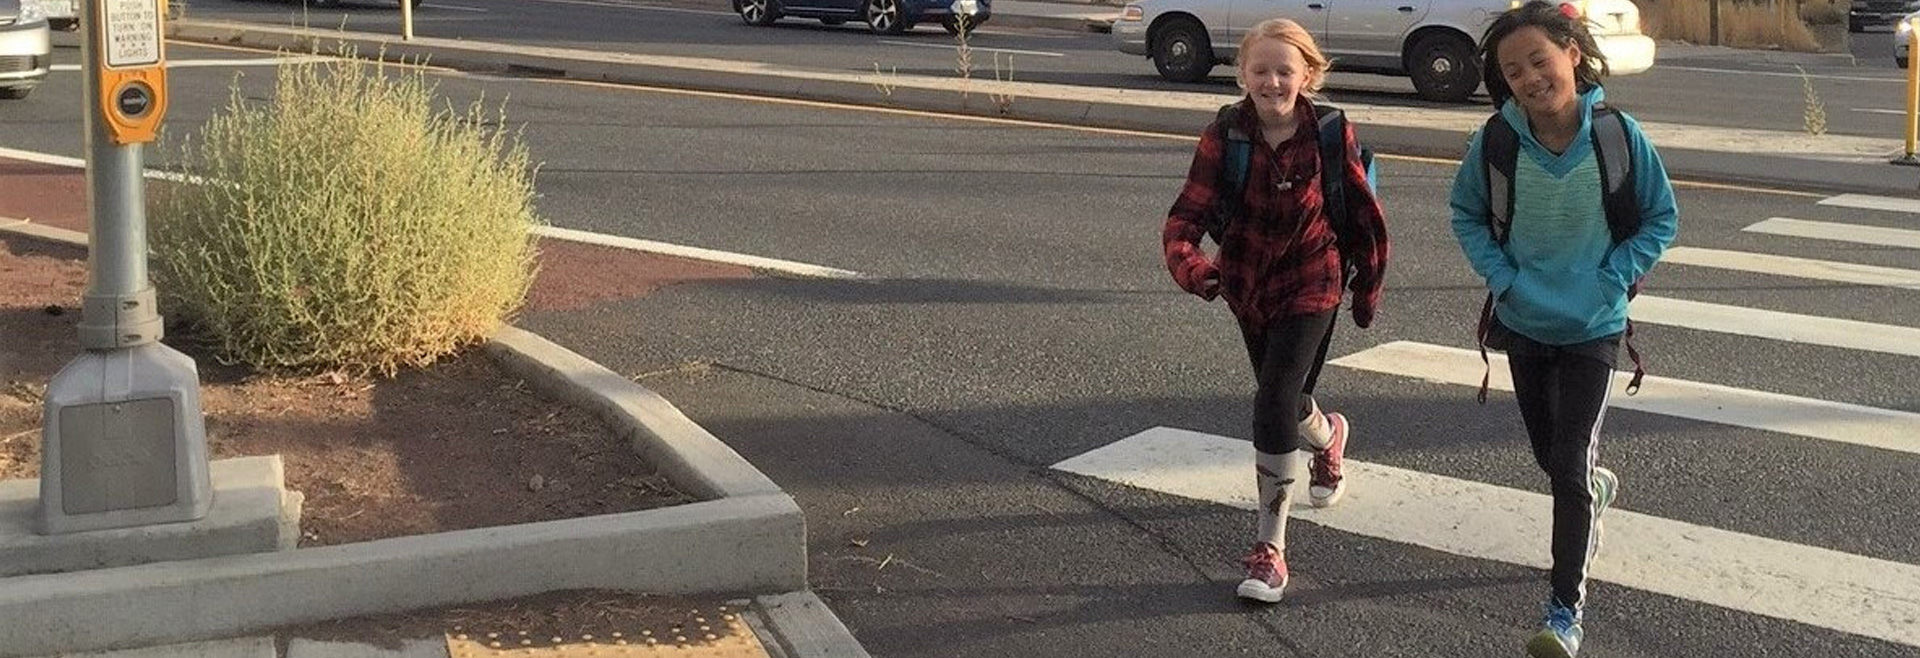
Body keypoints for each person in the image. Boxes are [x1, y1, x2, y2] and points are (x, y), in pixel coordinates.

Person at [1449, 3, 1678, 656]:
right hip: (1524, 322)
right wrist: (1504, 277)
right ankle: (1594, 488)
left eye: (1539, 60)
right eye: (1513, 69)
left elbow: (1660, 218)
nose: (1529, 76)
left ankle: (1563, 613)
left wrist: (1613, 278)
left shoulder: (1617, 136)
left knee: (1569, 464)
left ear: (1572, 55)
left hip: (1594, 327)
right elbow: (1465, 213)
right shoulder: (1495, 141)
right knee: (1553, 459)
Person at [1160, 17, 1389, 605]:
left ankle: (1270, 550)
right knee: (1288, 400)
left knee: (1273, 399)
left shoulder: (1331, 131)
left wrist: (1366, 291)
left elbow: (1363, 213)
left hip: (1315, 278)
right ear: (1243, 74)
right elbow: (1188, 212)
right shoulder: (1226, 134)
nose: (1272, 80)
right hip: (1247, 284)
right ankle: (1330, 435)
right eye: (1259, 70)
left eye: (1285, 70)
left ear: (1308, 74)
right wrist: (1193, 265)